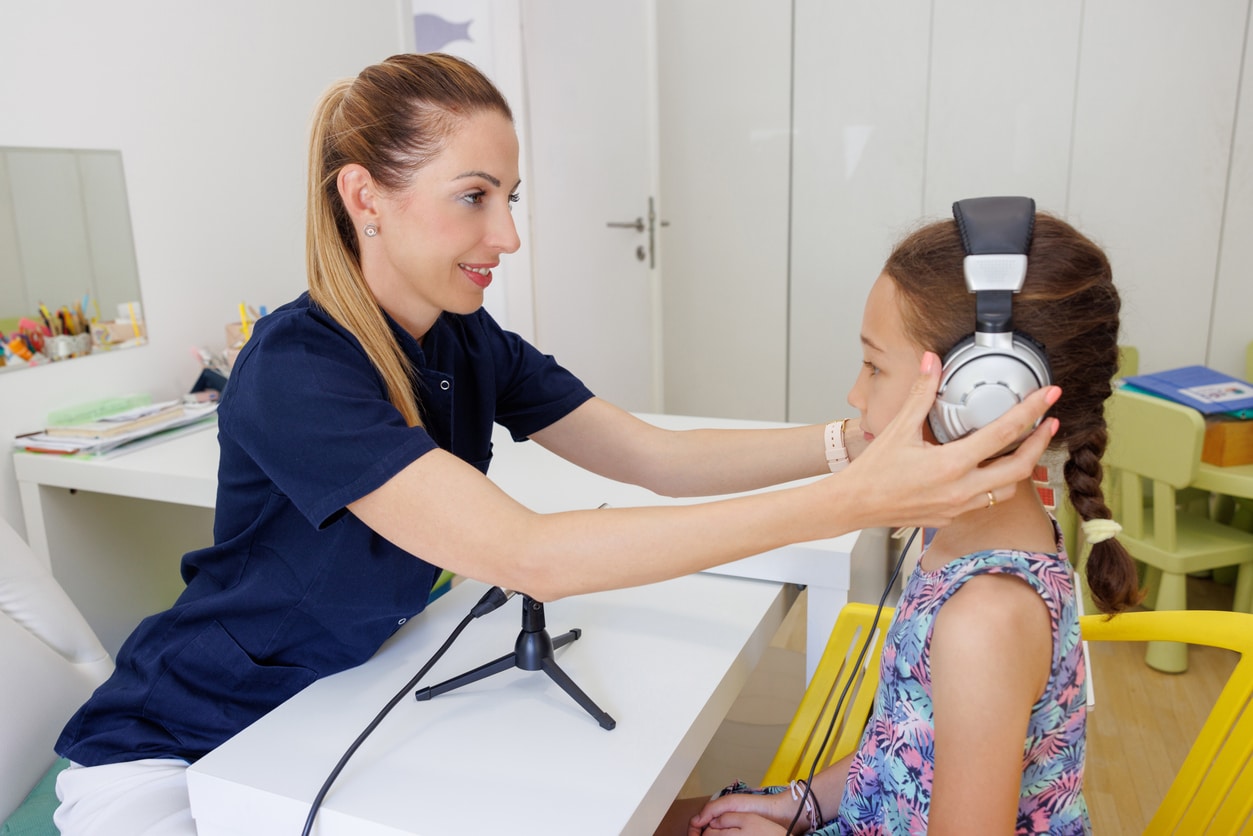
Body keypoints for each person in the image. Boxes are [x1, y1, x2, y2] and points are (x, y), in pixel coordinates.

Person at [52, 54, 1057, 835]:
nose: (507, 235)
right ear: (364, 196)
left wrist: (860, 442)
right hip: (182, 741)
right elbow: (524, 553)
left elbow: (648, 455)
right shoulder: (296, 366)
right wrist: (852, 503)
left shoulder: (458, 339)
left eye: (510, 199)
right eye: (474, 196)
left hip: (338, 704)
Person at [662, 209, 1141, 836]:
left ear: (982, 397)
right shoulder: (972, 531)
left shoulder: (985, 619)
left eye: (874, 367)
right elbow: (906, 749)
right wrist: (801, 803)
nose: (855, 394)